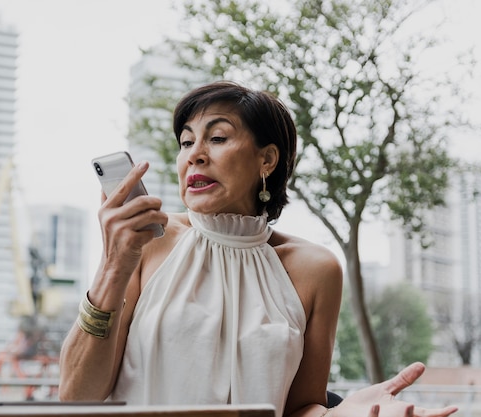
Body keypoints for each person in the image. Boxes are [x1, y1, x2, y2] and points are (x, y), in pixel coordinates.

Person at [58, 81, 458, 417]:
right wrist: (114, 266)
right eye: (186, 142)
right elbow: (77, 396)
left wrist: (343, 414)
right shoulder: (147, 243)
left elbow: (303, 407)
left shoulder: (316, 270)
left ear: (266, 159)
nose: (194, 154)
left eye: (216, 138)